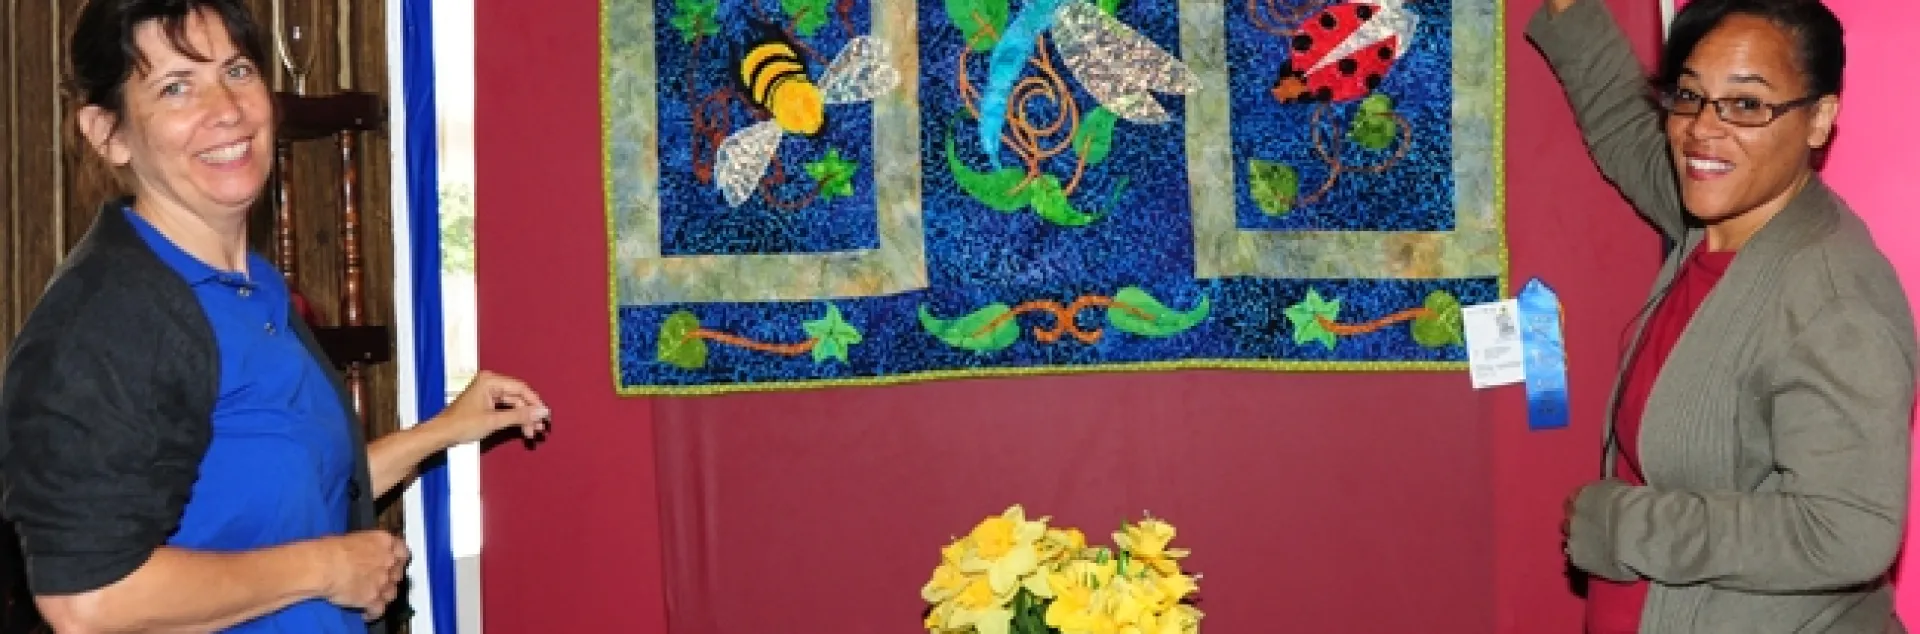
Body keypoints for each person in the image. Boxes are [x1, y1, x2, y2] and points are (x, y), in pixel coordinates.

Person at [0, 0, 552, 632]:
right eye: (176, 87)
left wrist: (449, 427)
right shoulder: (104, 322)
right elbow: (86, 601)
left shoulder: (249, 286)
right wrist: (327, 568)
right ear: (109, 133)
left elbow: (283, 493)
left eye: (236, 71)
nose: (227, 110)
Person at [1530, 0, 1916, 631]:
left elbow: (1847, 530)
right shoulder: (1719, 222)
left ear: (1819, 119)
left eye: (1746, 104)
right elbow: (1628, 130)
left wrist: (1625, 525)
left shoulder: (1833, 297)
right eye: (1688, 96)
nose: (1702, 130)